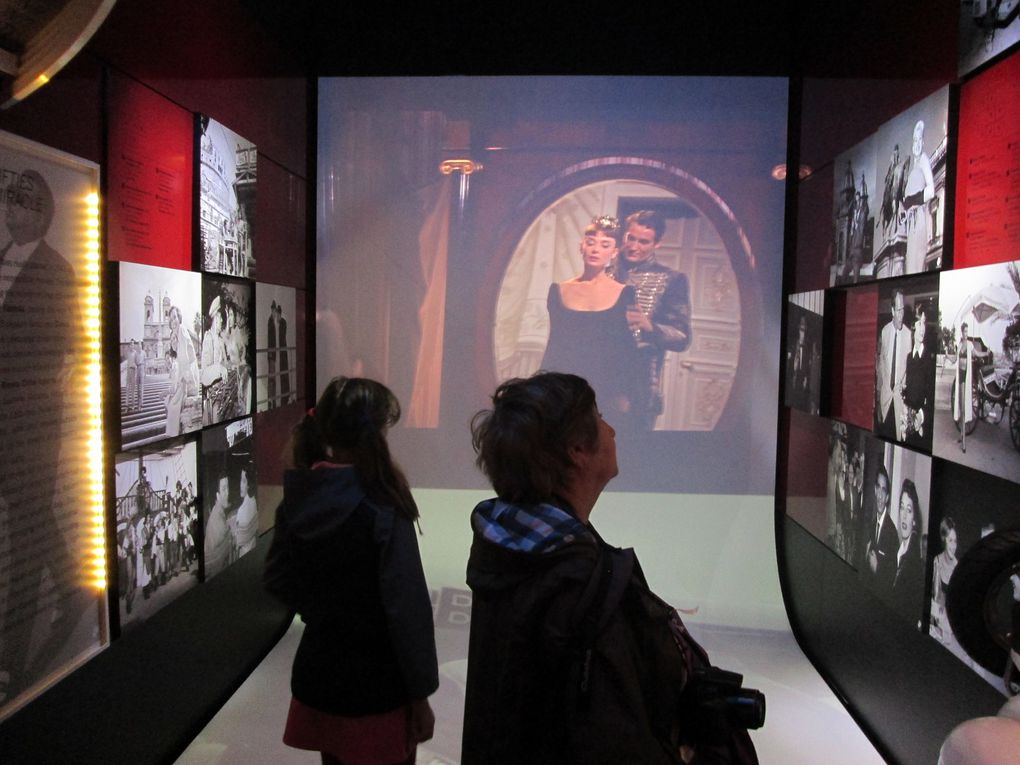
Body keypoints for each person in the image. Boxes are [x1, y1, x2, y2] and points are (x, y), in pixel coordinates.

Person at [462, 371, 758, 764]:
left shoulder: (509, 548)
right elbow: (614, 738)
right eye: (599, 417)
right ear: (576, 451)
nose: (611, 429)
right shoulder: (580, 582)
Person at [265, 376, 438, 765]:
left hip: (321, 678)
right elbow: (406, 609)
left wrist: (320, 613)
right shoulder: (383, 507)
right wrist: (420, 695)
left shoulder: (298, 498)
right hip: (379, 690)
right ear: (379, 431)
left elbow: (276, 577)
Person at [0, 168, 83, 697]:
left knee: (25, 527)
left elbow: (66, 345)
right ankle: (74, 582)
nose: (14, 210)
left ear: (44, 213)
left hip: (33, 419)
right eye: (11, 200)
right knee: (27, 512)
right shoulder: (5, 257)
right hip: (10, 416)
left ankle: (11, 659)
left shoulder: (56, 270)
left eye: (26, 203)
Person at [541, 215, 644, 425]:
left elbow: (627, 348)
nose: (596, 249)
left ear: (614, 252)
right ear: (582, 247)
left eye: (605, 245)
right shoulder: (559, 290)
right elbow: (555, 343)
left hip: (607, 387)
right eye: (591, 243)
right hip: (567, 385)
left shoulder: (625, 293)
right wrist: (547, 387)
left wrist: (624, 393)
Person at [608, 209, 692, 429]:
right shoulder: (603, 271)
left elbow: (682, 337)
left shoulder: (672, 279)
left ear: (657, 244)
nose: (634, 246)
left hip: (639, 382)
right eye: (631, 238)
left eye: (644, 241)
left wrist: (650, 326)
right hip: (598, 372)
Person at [875, 289, 911, 441]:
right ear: (892, 311)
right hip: (884, 399)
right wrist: (877, 398)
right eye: (898, 310)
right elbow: (880, 365)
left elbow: (909, 371)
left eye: (903, 309)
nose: (901, 314)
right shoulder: (884, 331)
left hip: (898, 400)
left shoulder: (909, 335)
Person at [901, 120, 935, 274]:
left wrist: (914, 200)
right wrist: (904, 209)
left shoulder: (924, 160)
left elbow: (931, 190)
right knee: (910, 262)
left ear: (923, 142)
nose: (917, 144)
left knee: (917, 262)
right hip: (910, 224)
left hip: (919, 219)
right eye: (914, 140)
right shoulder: (913, 166)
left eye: (919, 140)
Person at [901, 306, 935, 449]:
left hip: (922, 429)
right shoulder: (909, 358)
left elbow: (931, 397)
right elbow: (907, 391)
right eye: (920, 323)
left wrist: (920, 416)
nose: (923, 329)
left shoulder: (929, 359)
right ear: (913, 328)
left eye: (924, 323)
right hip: (908, 427)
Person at [890, 479, 924, 616]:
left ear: (914, 519)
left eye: (909, 510)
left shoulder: (913, 560)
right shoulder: (900, 551)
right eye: (902, 507)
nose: (903, 515)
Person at [865, 464, 899, 590]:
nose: (880, 495)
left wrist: (877, 569)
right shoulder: (872, 524)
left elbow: (891, 580)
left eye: (883, 490)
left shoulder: (892, 533)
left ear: (887, 497)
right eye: (878, 488)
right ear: (874, 489)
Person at [930, 517, 958, 643]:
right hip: (939, 622)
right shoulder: (937, 561)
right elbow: (935, 597)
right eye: (950, 540)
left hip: (952, 626)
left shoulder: (958, 567)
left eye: (955, 541)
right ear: (944, 540)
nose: (953, 546)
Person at [233, 463, 258, 557]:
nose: (240, 485)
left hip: (244, 554)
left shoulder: (241, 511)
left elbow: (237, 543)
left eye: (244, 481)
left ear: (249, 485)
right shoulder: (254, 501)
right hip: (254, 548)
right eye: (240, 480)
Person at [267, 300, 278, 408]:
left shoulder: (272, 321)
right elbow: (270, 340)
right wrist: (271, 354)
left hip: (272, 354)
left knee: (273, 378)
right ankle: (271, 399)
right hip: (271, 355)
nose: (275, 312)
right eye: (274, 310)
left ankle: (272, 399)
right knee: (271, 378)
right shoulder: (271, 321)